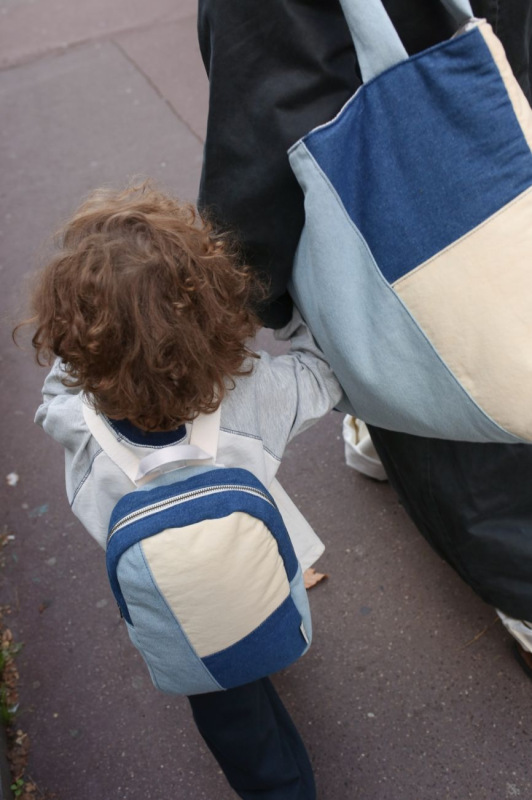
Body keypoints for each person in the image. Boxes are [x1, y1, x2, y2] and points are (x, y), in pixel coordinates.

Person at [197, 0, 532, 676]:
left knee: (424, 362)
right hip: (505, 124)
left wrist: (260, 286)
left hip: (398, 196)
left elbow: (268, 108)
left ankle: (522, 585)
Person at [22, 182, 344, 799]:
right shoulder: (254, 400)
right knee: (262, 623)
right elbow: (320, 372)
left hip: (175, 600)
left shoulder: (78, 425)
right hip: (256, 573)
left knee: (230, 716)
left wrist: (84, 355)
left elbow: (55, 395)